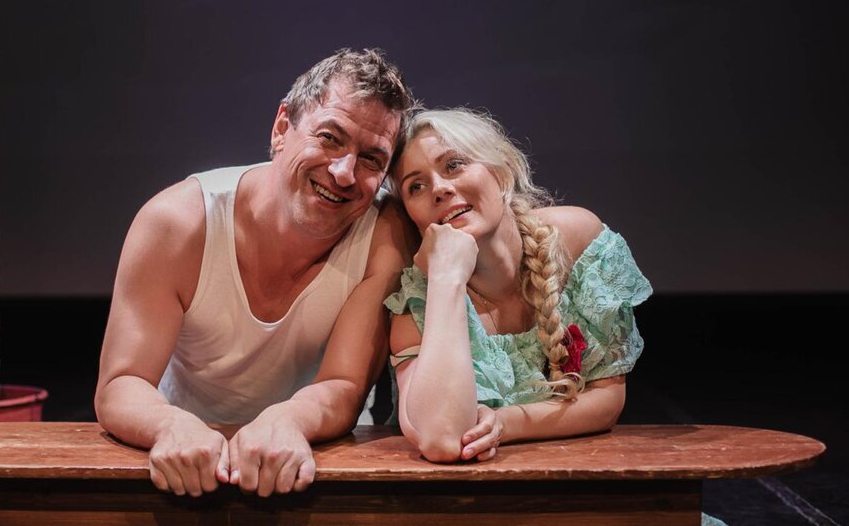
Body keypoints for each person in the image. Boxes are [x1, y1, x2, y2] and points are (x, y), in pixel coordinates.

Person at [95, 48, 417, 498]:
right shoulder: (177, 223)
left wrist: (287, 421)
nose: (344, 173)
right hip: (185, 461)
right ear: (282, 127)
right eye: (330, 138)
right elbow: (120, 384)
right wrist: (170, 426)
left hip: (319, 459)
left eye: (371, 160)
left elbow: (343, 384)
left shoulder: (385, 235)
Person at [385, 108, 652, 463]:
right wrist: (447, 278)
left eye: (454, 165)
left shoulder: (578, 241)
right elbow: (441, 440)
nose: (439, 189)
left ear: (500, 171)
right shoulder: (416, 302)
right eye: (415, 186)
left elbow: (607, 400)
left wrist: (506, 423)